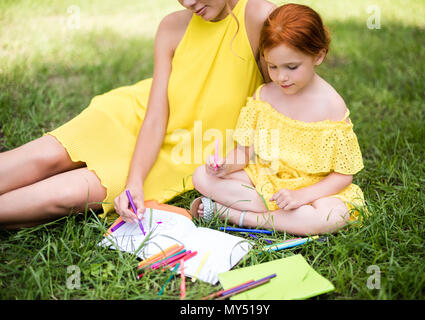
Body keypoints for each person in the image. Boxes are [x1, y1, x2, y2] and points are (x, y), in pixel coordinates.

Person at [0, 0, 276, 229]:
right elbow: (156, 115)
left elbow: (282, 106)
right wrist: (133, 181)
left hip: (184, 150)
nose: (189, 3)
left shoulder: (259, 17)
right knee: (43, 157)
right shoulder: (172, 26)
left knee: (65, 195)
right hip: (134, 116)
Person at [190, 3, 366, 236]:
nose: (281, 77)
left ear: (319, 55)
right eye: (272, 66)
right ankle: (286, 218)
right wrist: (225, 166)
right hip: (266, 181)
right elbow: (245, 152)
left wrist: (301, 195)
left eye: (291, 67)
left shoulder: (332, 106)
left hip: (314, 191)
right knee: (202, 176)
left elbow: (343, 175)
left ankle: (237, 216)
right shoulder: (264, 96)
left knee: (333, 216)